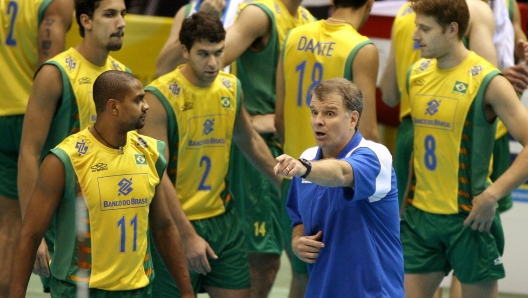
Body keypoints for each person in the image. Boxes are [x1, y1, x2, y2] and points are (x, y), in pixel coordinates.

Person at [8, 70, 193, 297]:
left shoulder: (150, 152)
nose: (146, 106)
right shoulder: (66, 159)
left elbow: (164, 226)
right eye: (138, 100)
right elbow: (30, 234)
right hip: (80, 291)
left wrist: (186, 291)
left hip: (138, 291)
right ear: (113, 107)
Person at [138, 12, 281, 298]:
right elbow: (157, 172)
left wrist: (286, 183)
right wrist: (188, 236)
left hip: (223, 222)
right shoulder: (159, 97)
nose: (213, 63)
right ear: (184, 51)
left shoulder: (231, 88)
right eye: (203, 54)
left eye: (218, 53)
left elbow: (249, 140)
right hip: (173, 225)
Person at [401, 0, 528, 297]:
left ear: (452, 30)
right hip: (420, 219)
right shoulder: (416, 74)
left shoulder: (488, 81)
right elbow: (420, 148)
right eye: (416, 27)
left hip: (469, 219)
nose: (415, 36)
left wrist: (492, 195)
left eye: (424, 28)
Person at [17, 0, 131, 286]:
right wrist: (35, 234)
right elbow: (29, 153)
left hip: (110, 223)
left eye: (123, 14)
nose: (121, 22)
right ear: (85, 21)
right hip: (65, 224)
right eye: (110, 14)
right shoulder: (55, 73)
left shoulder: (122, 75)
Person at [274, 0, 381, 294]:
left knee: (303, 276)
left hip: (295, 174)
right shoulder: (361, 49)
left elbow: (280, 117)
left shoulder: (294, 36)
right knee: (343, 279)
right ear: (369, 4)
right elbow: (368, 129)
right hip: (341, 179)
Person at [274, 78, 404, 297]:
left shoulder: (375, 156)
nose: (318, 121)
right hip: (321, 290)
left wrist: (303, 168)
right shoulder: (307, 159)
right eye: (314, 112)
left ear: (353, 119)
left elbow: (342, 173)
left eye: (329, 113)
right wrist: (298, 241)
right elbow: (298, 218)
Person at [222, 2, 317, 296]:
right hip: (257, 152)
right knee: (263, 263)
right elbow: (207, 63)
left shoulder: (307, 20)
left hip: (294, 150)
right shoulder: (259, 14)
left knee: (302, 261)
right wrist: (244, 120)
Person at [0, 0, 73, 295]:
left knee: (9, 229)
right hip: (32, 119)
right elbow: (50, 70)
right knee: (64, 222)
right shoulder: (56, 3)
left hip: (2, 114)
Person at [155, 0, 245, 77]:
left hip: (229, 93)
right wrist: (198, 20)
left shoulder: (247, 10)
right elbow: (163, 70)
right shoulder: (187, 11)